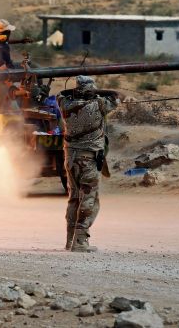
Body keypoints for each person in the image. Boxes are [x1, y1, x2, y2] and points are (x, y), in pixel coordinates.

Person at [57, 75, 123, 252]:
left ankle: (70, 239)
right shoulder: (98, 104)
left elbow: (60, 94)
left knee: (74, 198)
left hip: (70, 158)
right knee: (89, 199)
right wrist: (96, 92)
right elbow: (117, 96)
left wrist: (81, 92)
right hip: (88, 159)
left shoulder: (65, 104)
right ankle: (80, 241)